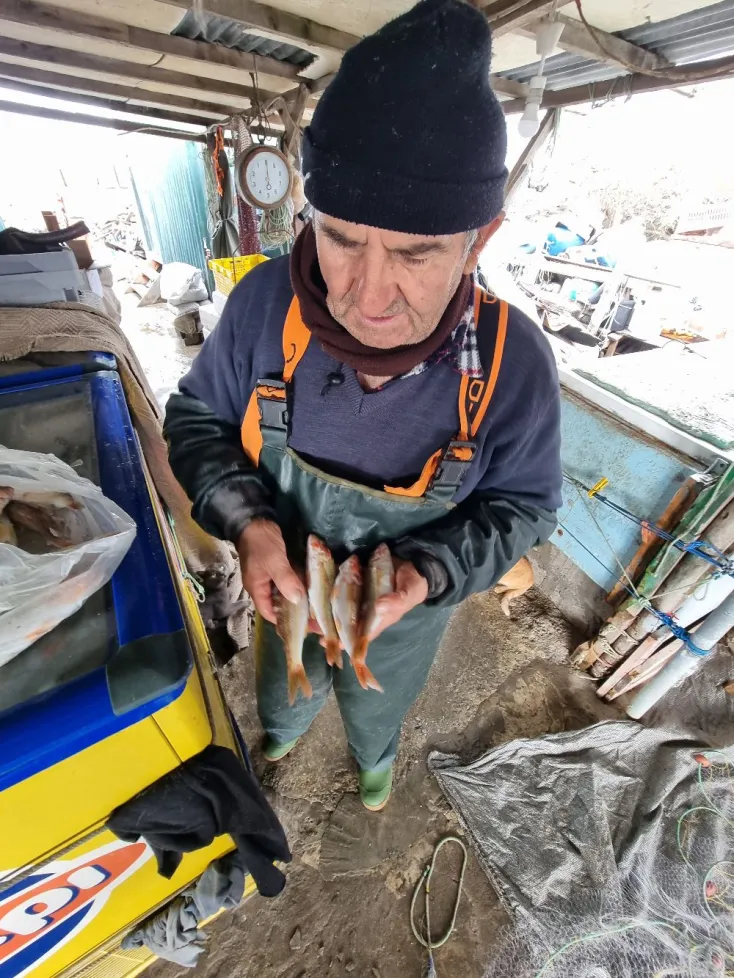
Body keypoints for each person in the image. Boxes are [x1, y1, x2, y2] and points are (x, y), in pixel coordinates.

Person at [165, 0, 562, 812]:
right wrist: (250, 525)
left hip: (404, 616)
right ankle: (281, 734)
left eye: (416, 254)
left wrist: (430, 572)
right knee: (285, 685)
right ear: (309, 213)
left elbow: (524, 506)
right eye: (342, 239)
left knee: (377, 699)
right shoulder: (262, 305)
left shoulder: (513, 363)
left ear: (480, 240)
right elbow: (197, 419)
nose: (369, 297)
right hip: (286, 584)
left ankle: (374, 762)